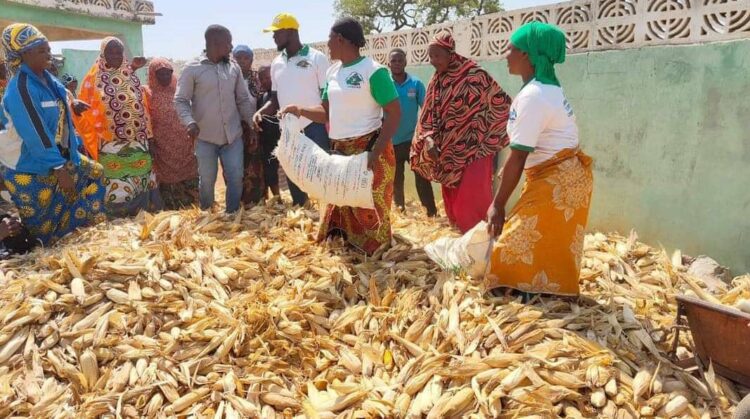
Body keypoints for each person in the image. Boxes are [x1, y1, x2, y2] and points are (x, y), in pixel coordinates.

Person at [486, 22, 594, 298]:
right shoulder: (545, 89)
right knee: (545, 246)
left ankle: (535, 295)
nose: (506, 54)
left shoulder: (534, 96)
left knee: (507, 250)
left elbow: (519, 155)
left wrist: (497, 205)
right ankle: (544, 293)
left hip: (559, 183)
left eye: (511, 48)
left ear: (528, 55)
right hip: (562, 178)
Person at [281, 17, 401, 255]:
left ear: (340, 39)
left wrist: (374, 153)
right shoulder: (333, 72)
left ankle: (371, 256)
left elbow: (394, 114)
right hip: (340, 153)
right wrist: (300, 109)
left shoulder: (374, 72)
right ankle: (346, 250)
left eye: (329, 39)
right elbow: (325, 113)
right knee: (341, 203)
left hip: (370, 149)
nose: (327, 45)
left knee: (369, 205)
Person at [0, 23, 107, 245]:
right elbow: (35, 132)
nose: (49, 53)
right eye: (41, 50)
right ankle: (45, 257)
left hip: (57, 157)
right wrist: (59, 169)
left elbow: (60, 99)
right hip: (28, 167)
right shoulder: (21, 88)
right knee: (41, 228)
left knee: (95, 174)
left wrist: (73, 104)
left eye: (48, 48)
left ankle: (85, 234)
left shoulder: (47, 79)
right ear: (25, 54)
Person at [411, 31, 512, 233]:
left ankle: (480, 240)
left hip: (474, 151)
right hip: (447, 152)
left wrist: (484, 134)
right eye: (430, 56)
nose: (433, 61)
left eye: (437, 55)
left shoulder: (474, 74)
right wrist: (428, 137)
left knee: (472, 196)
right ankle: (460, 239)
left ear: (450, 53)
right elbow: (427, 114)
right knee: (453, 199)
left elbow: (501, 104)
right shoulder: (436, 80)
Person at [76, 37, 161, 217]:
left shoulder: (130, 75)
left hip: (138, 140)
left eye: (118, 52)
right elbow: (84, 109)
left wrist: (149, 137)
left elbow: (142, 106)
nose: (115, 55)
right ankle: (118, 218)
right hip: (110, 144)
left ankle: (141, 213)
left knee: (140, 176)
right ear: (103, 54)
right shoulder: (93, 78)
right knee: (116, 182)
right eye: (111, 52)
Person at [175, 25, 256, 214]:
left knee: (236, 176)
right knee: (207, 179)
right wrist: (189, 122)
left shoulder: (233, 67)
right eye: (229, 42)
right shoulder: (192, 68)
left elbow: (243, 99)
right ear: (215, 43)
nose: (231, 46)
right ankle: (207, 213)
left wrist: (252, 126)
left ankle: (232, 213)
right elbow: (180, 100)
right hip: (205, 138)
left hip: (232, 136)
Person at [255, 13, 331, 207]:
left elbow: (326, 97)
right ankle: (301, 208)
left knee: (320, 172)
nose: (273, 37)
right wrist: (261, 112)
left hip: (314, 126)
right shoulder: (276, 63)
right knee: (293, 172)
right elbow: (274, 99)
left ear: (290, 32)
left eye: (276, 33)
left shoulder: (317, 58)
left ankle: (326, 212)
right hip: (288, 129)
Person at [144, 58, 199, 210]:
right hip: (163, 145)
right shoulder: (147, 93)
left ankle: (193, 205)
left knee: (191, 172)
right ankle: (173, 208)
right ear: (153, 75)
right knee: (167, 177)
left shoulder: (180, 91)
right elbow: (145, 118)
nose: (164, 78)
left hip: (185, 143)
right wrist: (151, 141)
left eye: (168, 74)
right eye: (160, 74)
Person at [387, 48, 437, 217]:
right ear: (388, 64)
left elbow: (426, 110)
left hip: (412, 141)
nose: (397, 63)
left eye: (400, 60)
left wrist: (427, 134)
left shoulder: (415, 84)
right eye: (394, 61)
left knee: (421, 176)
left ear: (406, 62)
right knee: (396, 179)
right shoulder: (385, 85)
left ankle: (431, 212)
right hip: (391, 141)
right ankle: (400, 212)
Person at [233, 44, 264, 205]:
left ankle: (256, 200)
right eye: (238, 57)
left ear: (251, 60)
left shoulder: (257, 78)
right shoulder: (228, 78)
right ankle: (238, 200)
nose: (242, 61)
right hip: (233, 127)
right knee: (235, 163)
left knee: (254, 163)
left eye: (246, 58)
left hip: (254, 126)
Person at [257, 65, 281, 198]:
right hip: (268, 141)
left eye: (267, 77)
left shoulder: (283, 93)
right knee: (270, 171)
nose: (265, 81)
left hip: (283, 139)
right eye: (262, 79)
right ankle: (277, 200)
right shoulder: (262, 97)